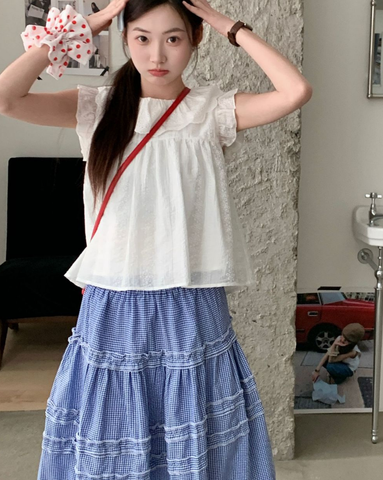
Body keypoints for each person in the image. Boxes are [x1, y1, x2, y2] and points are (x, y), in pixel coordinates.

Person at [0, 0, 312, 478]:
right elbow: (6, 97)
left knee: (192, 417)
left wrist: (225, 24)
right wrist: (88, 25)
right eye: (142, 38)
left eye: (173, 38)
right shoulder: (96, 107)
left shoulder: (211, 110)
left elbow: (295, 91)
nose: (157, 54)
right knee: (114, 419)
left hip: (191, 294)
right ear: (125, 38)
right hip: (116, 296)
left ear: (194, 40)